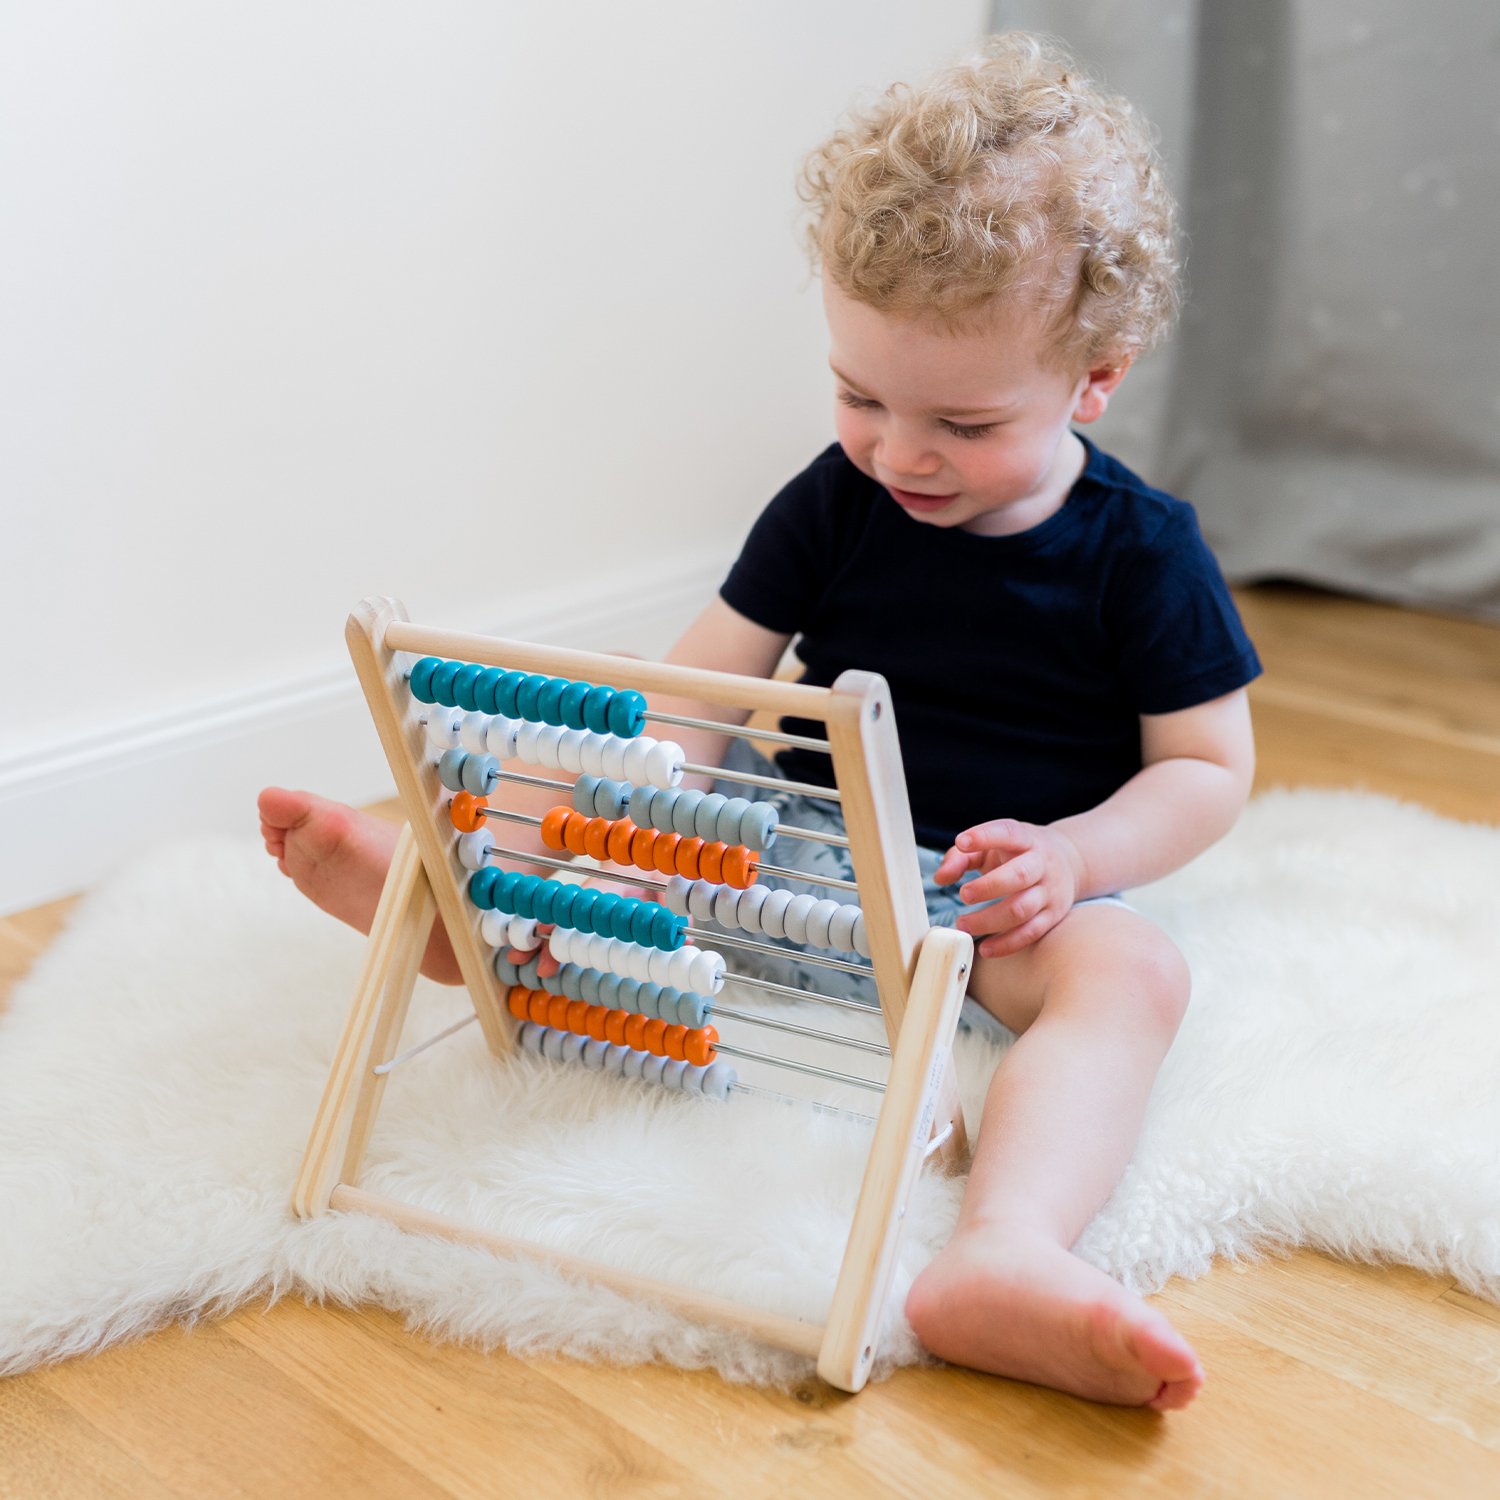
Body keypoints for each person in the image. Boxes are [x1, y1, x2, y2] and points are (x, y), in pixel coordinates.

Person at [260, 33, 1260, 1411]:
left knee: (1134, 975)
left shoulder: (1145, 552)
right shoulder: (835, 500)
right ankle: (468, 915)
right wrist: (641, 798)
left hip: (993, 905)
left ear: (1094, 377)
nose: (900, 451)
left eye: (961, 423)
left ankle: (1007, 1251)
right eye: (860, 396)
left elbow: (1209, 768)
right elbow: (705, 682)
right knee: (607, 717)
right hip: (790, 851)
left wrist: (1078, 860)